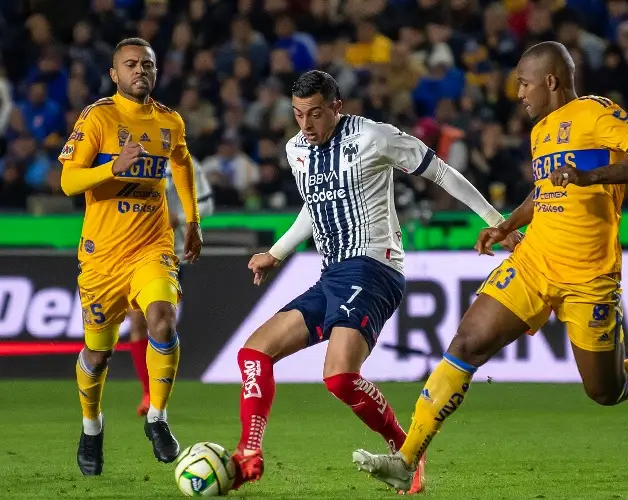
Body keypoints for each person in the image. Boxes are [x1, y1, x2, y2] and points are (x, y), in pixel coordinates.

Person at [351, 41, 628, 491]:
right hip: (534, 262)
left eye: (524, 84)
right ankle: (407, 460)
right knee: (467, 342)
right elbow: (544, 191)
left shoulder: (597, 113)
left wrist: (590, 177)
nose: (519, 93)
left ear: (551, 81)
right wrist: (507, 226)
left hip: (589, 276)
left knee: (605, 390)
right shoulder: (540, 131)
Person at [230, 70, 523, 495]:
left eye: (314, 114)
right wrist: (277, 253)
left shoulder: (375, 136)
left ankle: (406, 452)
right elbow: (314, 207)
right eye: (297, 115)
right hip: (331, 274)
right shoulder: (297, 150)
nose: (306, 125)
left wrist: (498, 222)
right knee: (253, 353)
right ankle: (249, 452)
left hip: (374, 267)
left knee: (338, 376)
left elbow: (441, 172)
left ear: (336, 107)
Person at [59, 37, 203, 476]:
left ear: (155, 72)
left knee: (163, 317)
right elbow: (67, 181)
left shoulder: (169, 121)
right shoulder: (99, 117)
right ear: (115, 74)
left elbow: (181, 162)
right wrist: (112, 167)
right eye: (130, 64)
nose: (140, 70)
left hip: (151, 246)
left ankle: (157, 418)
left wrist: (192, 220)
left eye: (147, 64)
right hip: (102, 256)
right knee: (98, 353)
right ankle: (91, 426)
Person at [128, 158, 214, 416]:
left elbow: (207, 204)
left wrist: (181, 216)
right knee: (137, 321)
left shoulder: (183, 163)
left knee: (161, 323)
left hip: (168, 252)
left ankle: (159, 391)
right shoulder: (127, 158)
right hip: (131, 249)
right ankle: (148, 393)